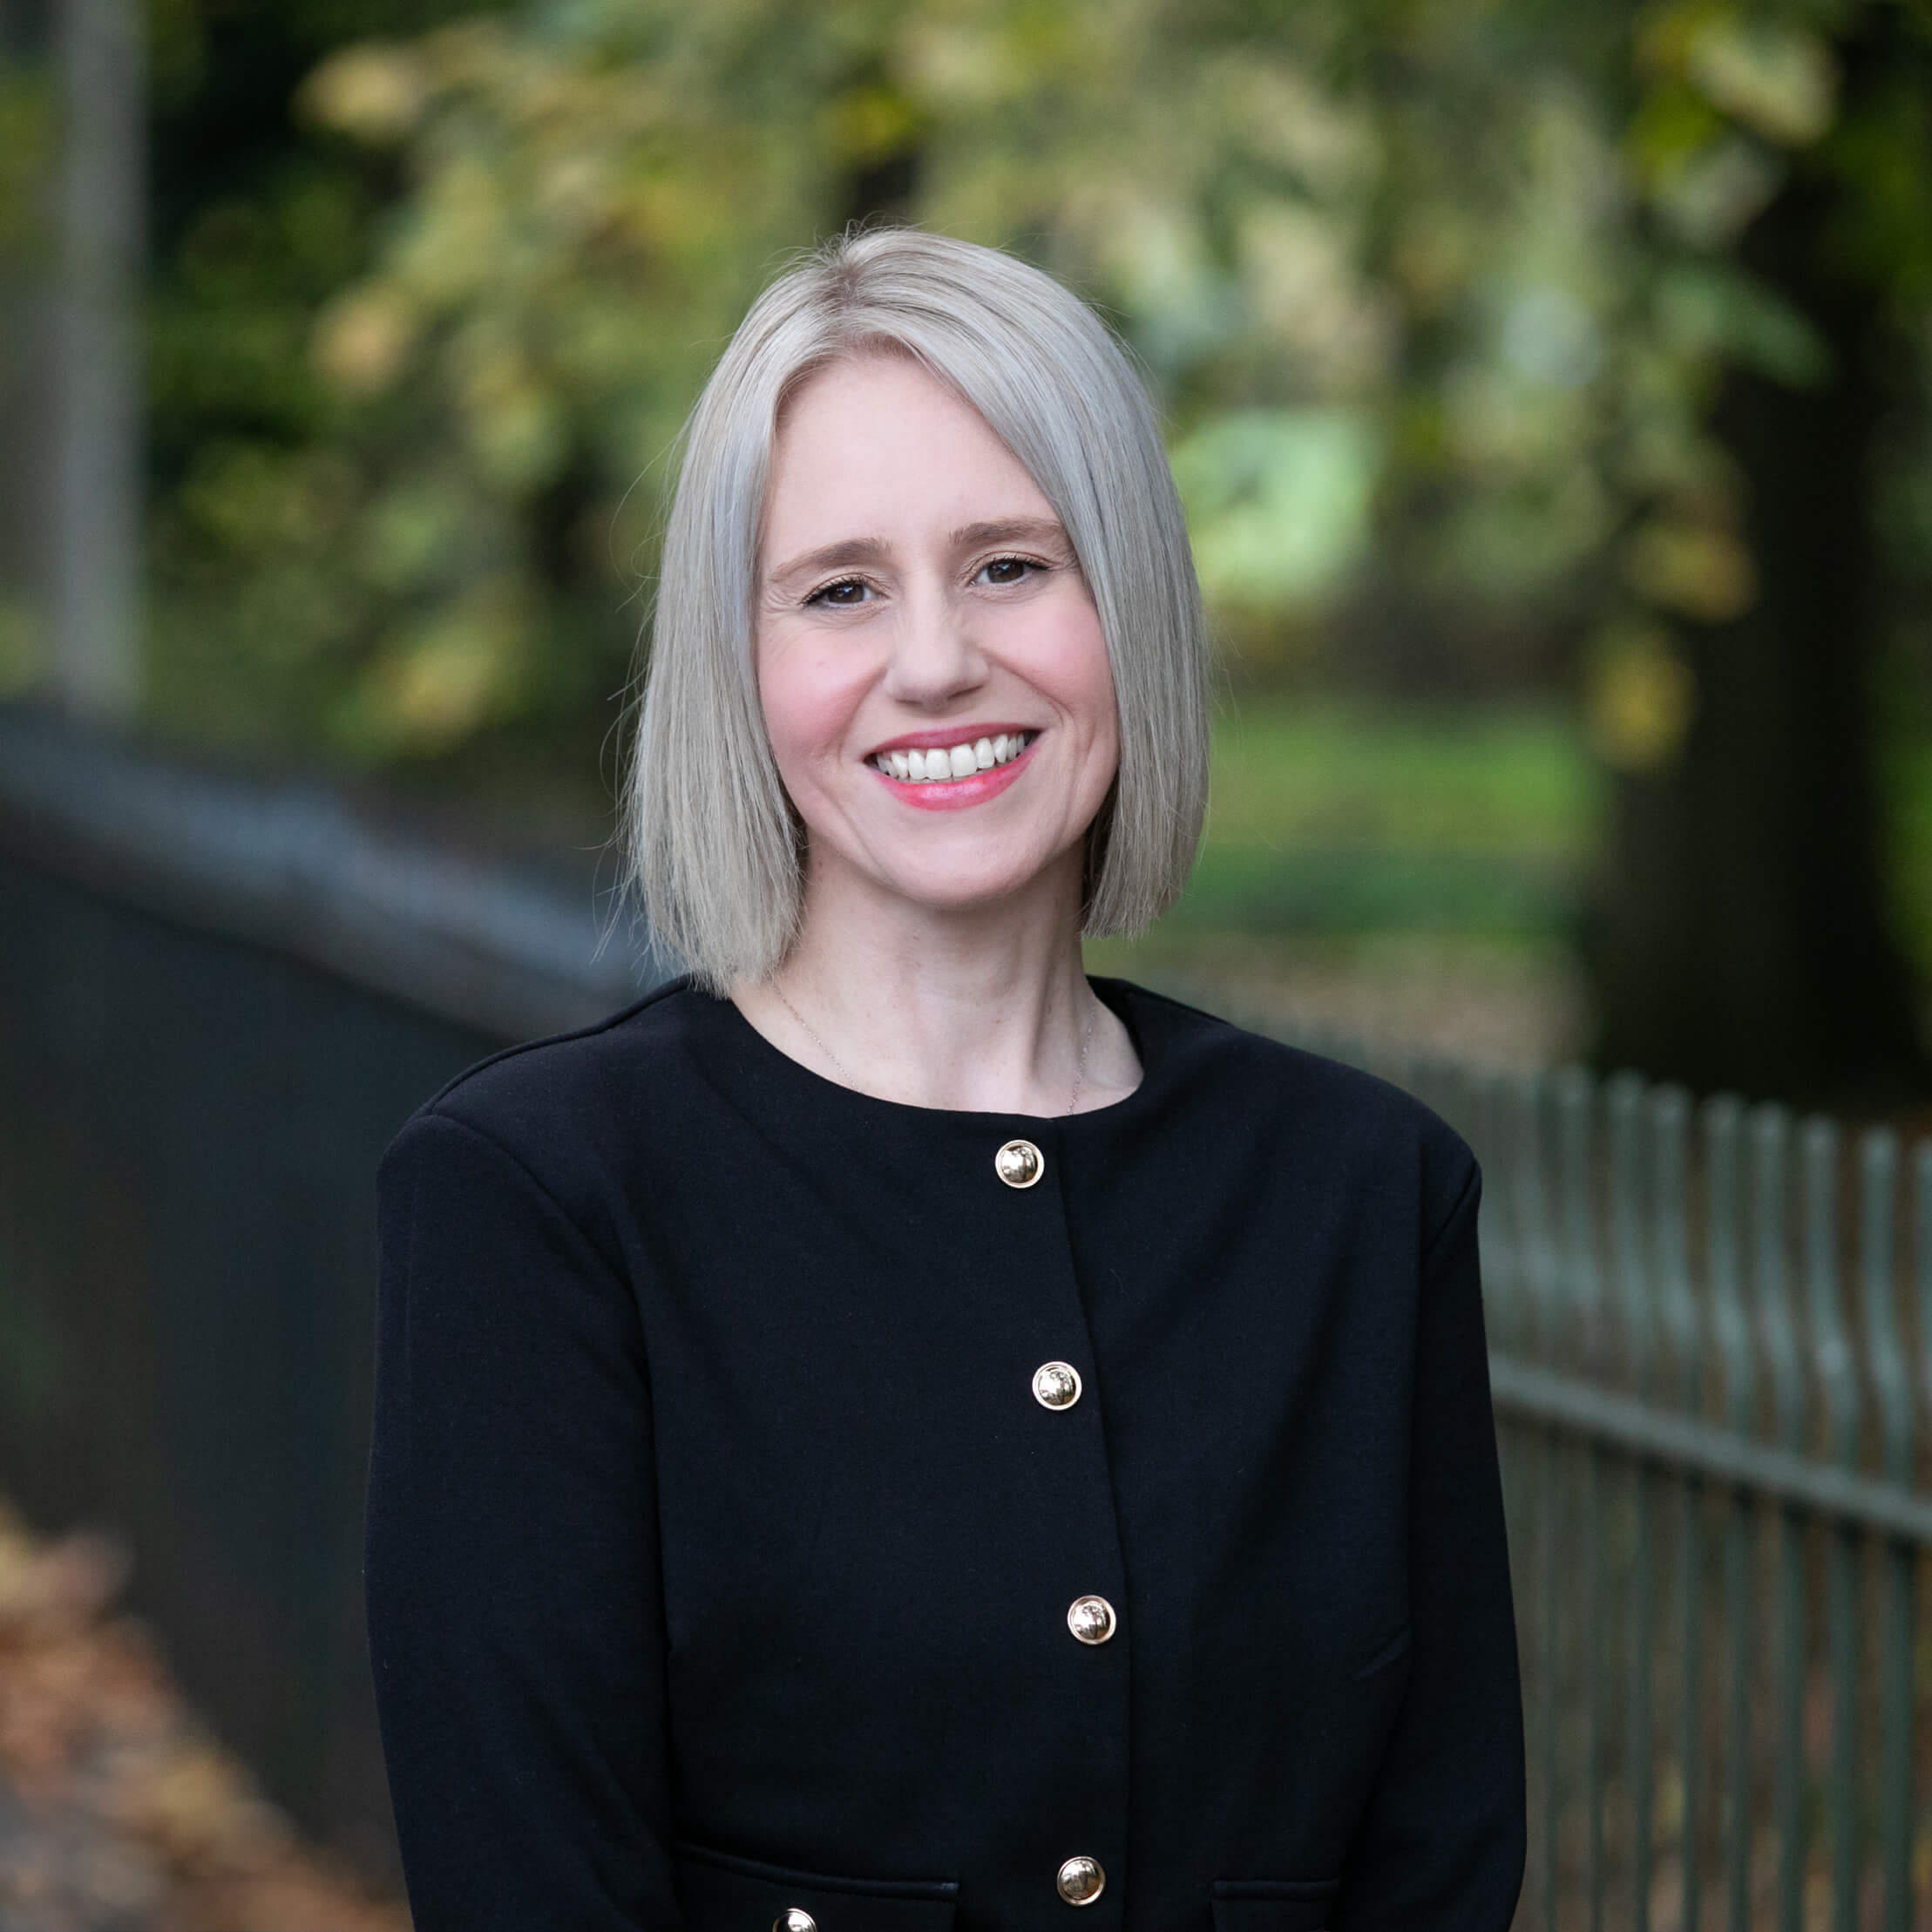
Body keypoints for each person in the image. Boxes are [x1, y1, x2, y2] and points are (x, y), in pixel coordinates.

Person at [363, 226, 1525, 1932]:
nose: (932, 663)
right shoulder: (544, 1201)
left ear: (1124, 600)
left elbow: (1434, 1862)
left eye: (1008, 565)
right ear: (741, 666)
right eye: (839, 586)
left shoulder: (1360, 1191)